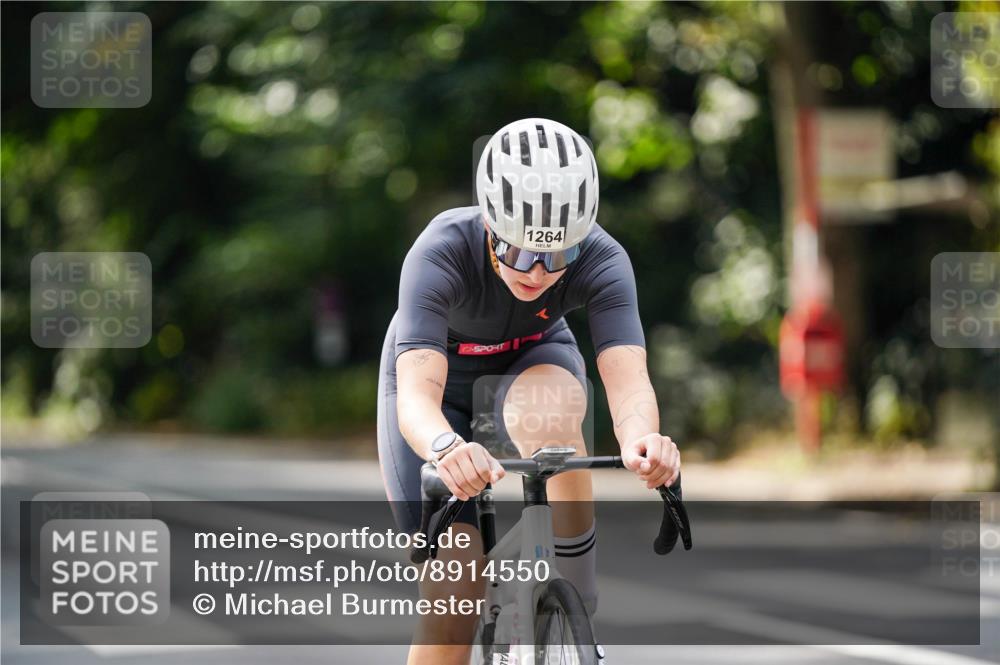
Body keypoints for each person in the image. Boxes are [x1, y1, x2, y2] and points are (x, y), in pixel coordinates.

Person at [377, 118, 681, 665]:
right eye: (519, 253)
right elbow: (417, 396)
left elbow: (628, 377)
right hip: (434, 387)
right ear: (490, 224)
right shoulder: (440, 250)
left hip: (533, 359)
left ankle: (578, 601)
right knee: (453, 603)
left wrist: (645, 439)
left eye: (558, 254)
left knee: (548, 415)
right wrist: (446, 448)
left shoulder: (604, 257)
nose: (538, 272)